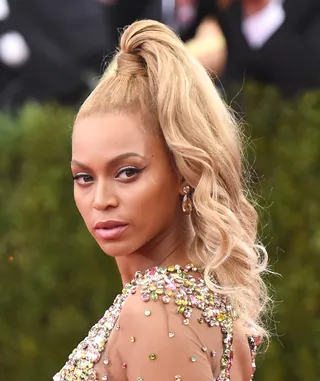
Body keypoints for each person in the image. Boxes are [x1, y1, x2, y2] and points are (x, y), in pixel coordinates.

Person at [54, 20, 269, 381]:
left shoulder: (157, 310)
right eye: (84, 178)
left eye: (127, 172)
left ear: (184, 171)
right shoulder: (200, 300)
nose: (101, 200)